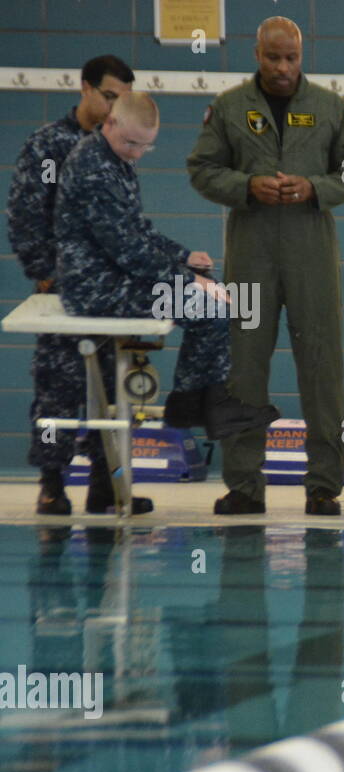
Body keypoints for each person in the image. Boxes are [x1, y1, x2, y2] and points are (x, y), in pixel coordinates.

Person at [54, 93, 278, 515]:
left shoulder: (114, 161)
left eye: (145, 147)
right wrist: (187, 278)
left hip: (115, 277)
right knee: (214, 305)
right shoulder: (92, 168)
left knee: (221, 300)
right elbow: (125, 249)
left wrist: (182, 256)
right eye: (131, 143)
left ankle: (196, 400)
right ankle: (197, 402)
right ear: (111, 123)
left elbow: (137, 230)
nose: (137, 153)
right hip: (96, 287)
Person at [188, 16, 344, 517]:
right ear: (257, 54)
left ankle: (323, 487)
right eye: (274, 57)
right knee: (244, 367)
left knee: (322, 367)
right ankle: (244, 487)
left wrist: (317, 187)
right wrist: (245, 186)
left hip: (311, 251)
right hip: (249, 254)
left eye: (291, 57)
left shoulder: (330, 108)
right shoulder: (229, 108)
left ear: (301, 54)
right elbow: (202, 169)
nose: (283, 67)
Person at [7, 55, 134, 515]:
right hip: (62, 292)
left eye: (123, 99)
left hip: (108, 295)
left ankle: (105, 484)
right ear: (84, 88)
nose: (115, 106)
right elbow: (26, 214)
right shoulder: (51, 147)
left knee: (111, 388)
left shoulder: (118, 149)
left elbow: (126, 224)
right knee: (57, 388)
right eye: (109, 96)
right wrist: (44, 273)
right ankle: (51, 482)